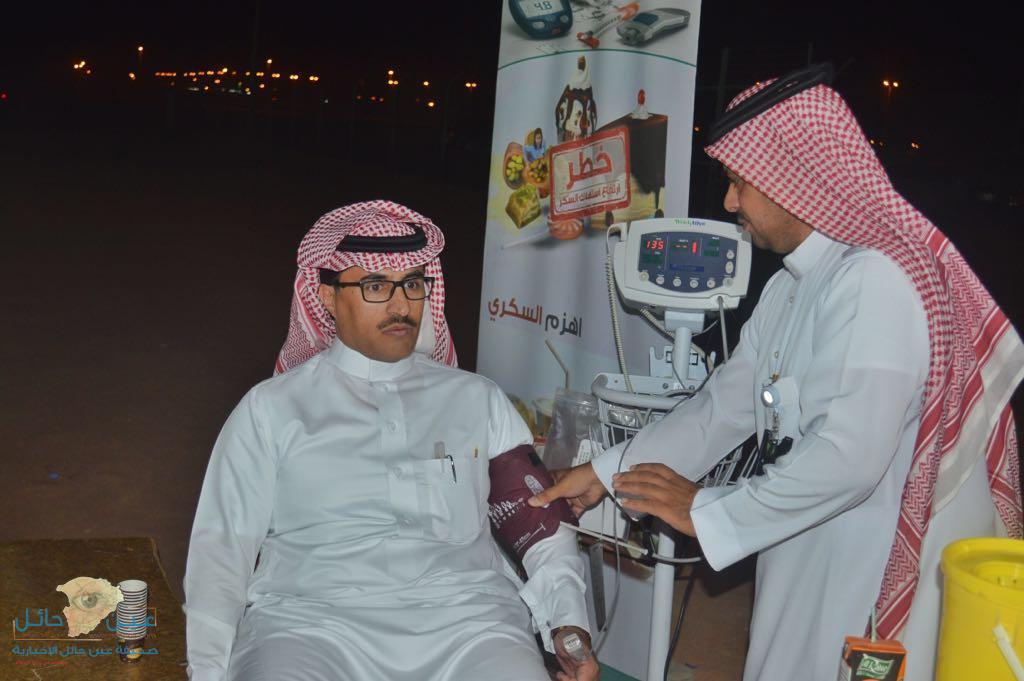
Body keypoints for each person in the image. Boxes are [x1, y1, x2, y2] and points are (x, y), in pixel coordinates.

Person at [529, 64, 1024, 681]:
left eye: (740, 183)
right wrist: (607, 474)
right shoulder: (793, 285)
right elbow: (724, 406)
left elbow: (849, 459)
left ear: (796, 180)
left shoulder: (875, 282)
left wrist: (706, 510)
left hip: (873, 553)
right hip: (810, 532)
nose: (729, 202)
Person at [183, 201, 599, 681]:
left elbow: (541, 527)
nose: (401, 306)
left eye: (413, 284)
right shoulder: (271, 409)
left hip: (469, 624)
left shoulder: (477, 399)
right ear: (327, 296)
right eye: (376, 286)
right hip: (309, 627)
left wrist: (568, 623)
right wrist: (207, 671)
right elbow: (221, 553)